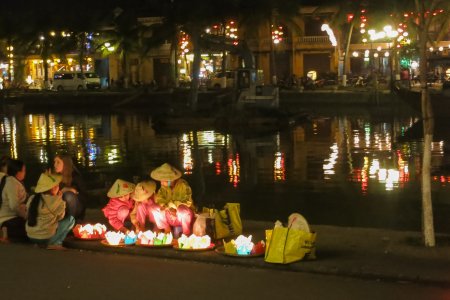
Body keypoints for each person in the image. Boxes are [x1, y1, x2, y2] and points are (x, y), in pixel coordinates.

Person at [26, 173, 75, 250]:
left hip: (31, 237)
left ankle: (38, 244)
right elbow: (60, 217)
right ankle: (56, 243)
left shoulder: (32, 198)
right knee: (70, 219)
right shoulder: (57, 201)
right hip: (46, 238)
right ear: (53, 188)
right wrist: (59, 198)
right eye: (57, 185)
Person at [149, 163, 194, 236]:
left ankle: (186, 233)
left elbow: (187, 202)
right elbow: (160, 200)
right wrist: (167, 207)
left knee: (182, 210)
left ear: (170, 180)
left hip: (181, 216)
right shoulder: (163, 188)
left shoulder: (183, 185)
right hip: (169, 216)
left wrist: (174, 207)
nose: (161, 182)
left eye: (163, 180)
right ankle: (167, 229)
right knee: (154, 208)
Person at [0, 158, 28, 242]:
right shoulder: (11, 183)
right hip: (9, 217)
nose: (25, 173)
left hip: (13, 216)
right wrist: (25, 216)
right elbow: (14, 205)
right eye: (24, 170)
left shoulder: (14, 181)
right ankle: (6, 230)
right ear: (18, 172)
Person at [52, 154, 87, 222]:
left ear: (65, 163)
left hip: (75, 207)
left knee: (69, 196)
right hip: (60, 208)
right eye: (54, 162)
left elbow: (82, 195)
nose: (55, 165)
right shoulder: (54, 177)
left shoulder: (75, 176)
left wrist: (68, 190)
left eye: (58, 162)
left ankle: (70, 222)